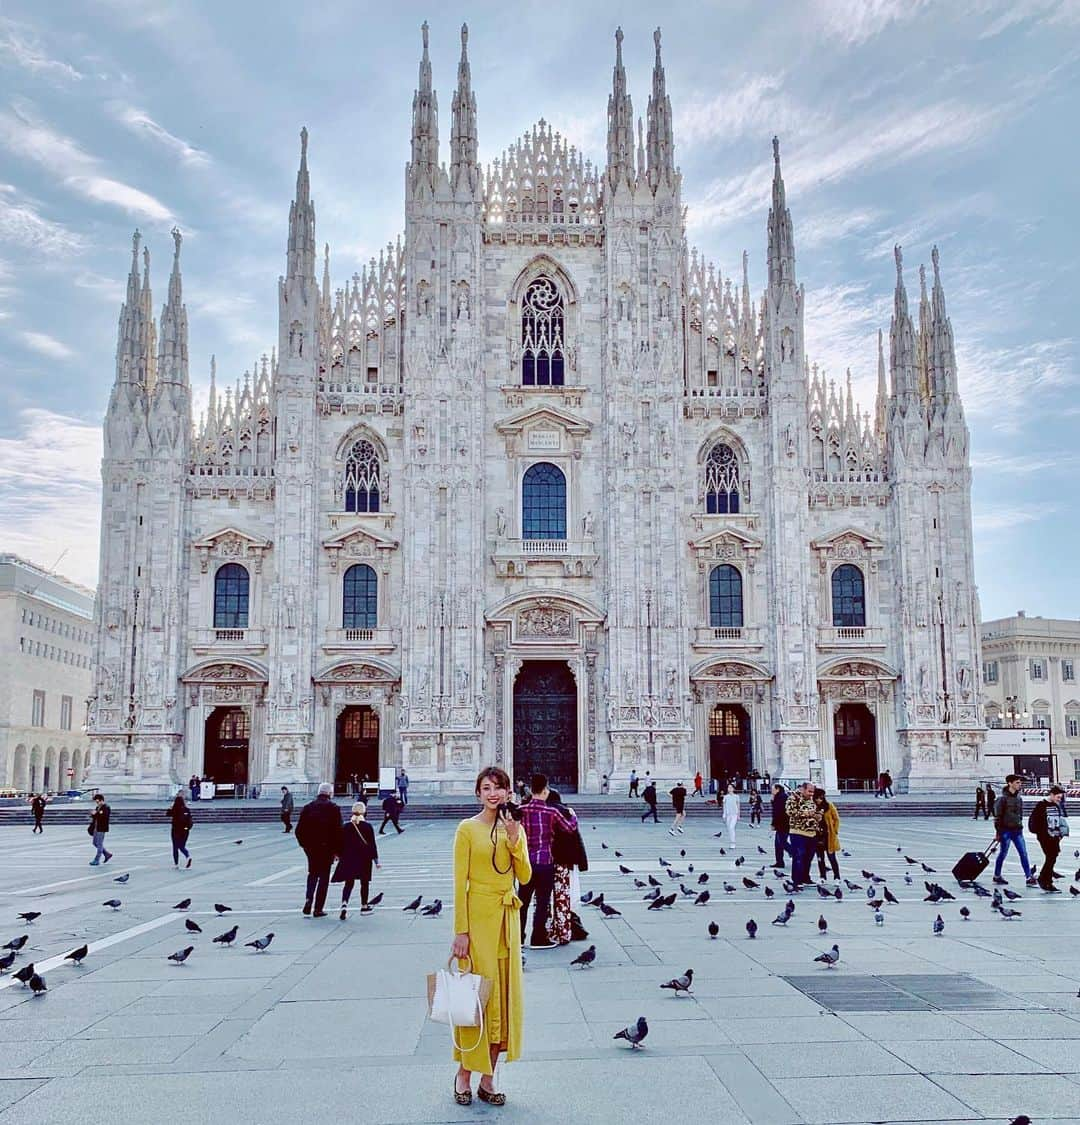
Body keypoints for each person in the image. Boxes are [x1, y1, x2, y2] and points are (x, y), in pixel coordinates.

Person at [451, 766, 530, 1106]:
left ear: (509, 793)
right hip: (478, 922)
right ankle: (464, 1074)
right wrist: (461, 931)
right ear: (478, 793)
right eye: (487, 788)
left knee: (504, 1001)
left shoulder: (514, 828)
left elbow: (524, 876)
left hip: (507, 922)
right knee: (476, 1000)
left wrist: (514, 840)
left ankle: (488, 1078)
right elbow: (459, 883)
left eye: (499, 787)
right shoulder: (466, 829)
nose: (493, 793)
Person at [518, 773, 577, 949]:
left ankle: (518, 937)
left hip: (525, 863)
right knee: (543, 902)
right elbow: (569, 828)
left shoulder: (522, 810)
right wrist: (573, 815)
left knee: (523, 901)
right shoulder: (552, 812)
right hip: (545, 862)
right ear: (545, 791)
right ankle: (538, 938)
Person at [295, 782, 343, 917]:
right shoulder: (334, 808)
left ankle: (308, 899)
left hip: (311, 848)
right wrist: (337, 851)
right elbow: (338, 832)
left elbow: (299, 830)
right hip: (327, 849)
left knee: (312, 874)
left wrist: (305, 846)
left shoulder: (308, 808)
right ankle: (318, 909)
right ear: (330, 794)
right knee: (323, 878)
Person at [546, 790, 586, 945]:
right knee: (562, 898)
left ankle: (547, 931)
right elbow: (575, 837)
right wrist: (580, 861)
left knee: (545, 899)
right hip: (563, 862)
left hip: (544, 861)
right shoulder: (566, 813)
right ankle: (564, 933)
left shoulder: (544, 813)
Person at [333, 801, 380, 918]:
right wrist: (376, 861)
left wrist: (337, 855)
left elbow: (339, 843)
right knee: (364, 883)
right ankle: (364, 905)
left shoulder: (346, 826)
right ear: (364, 812)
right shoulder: (368, 827)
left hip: (348, 858)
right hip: (364, 859)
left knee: (349, 883)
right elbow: (372, 845)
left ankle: (344, 903)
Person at [992, 774, 1037, 887]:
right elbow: (997, 817)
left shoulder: (1018, 798)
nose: (1019, 785)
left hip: (1017, 830)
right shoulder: (1002, 799)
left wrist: (1020, 824)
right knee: (1003, 853)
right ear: (1010, 783)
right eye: (1017, 782)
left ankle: (1028, 876)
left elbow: (1020, 814)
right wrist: (998, 832)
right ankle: (997, 875)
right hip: (1005, 830)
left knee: (1023, 853)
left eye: (1020, 783)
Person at [1028, 784, 1068, 892]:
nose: (1059, 800)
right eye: (1058, 797)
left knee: (1052, 857)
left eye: (1060, 798)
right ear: (1051, 795)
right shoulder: (1041, 805)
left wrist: (1059, 834)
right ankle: (1045, 880)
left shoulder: (1056, 806)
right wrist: (1043, 833)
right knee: (1051, 857)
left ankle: (1045, 879)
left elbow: (1058, 820)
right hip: (1045, 836)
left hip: (1054, 836)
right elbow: (1035, 822)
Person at [786, 781, 819, 887]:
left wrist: (817, 816)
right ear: (803, 789)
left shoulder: (811, 800)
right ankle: (797, 880)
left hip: (811, 832)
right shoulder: (793, 798)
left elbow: (815, 811)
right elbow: (790, 812)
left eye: (813, 792)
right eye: (809, 791)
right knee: (799, 856)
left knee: (808, 857)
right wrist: (806, 814)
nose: (811, 794)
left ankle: (805, 878)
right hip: (797, 832)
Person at [813, 788, 841, 881]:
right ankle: (822, 876)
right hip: (817, 836)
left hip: (828, 836)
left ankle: (837, 877)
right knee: (820, 858)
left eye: (821, 798)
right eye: (817, 798)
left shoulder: (829, 806)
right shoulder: (812, 807)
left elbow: (836, 818)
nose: (819, 800)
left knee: (832, 857)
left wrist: (835, 830)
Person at [167, 792, 193, 868]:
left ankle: (176, 864)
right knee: (181, 846)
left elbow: (167, 814)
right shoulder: (187, 809)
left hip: (176, 830)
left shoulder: (175, 809)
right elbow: (190, 820)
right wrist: (187, 828)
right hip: (185, 831)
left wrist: (170, 807)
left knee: (175, 847)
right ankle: (187, 856)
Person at [88, 793, 113, 865]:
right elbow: (96, 817)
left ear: (102, 800)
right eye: (96, 802)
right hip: (96, 827)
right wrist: (93, 814)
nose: (97, 803)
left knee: (99, 844)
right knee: (95, 843)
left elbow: (104, 817)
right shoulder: (98, 807)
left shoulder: (106, 807)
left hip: (101, 828)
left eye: (98, 801)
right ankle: (107, 854)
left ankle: (97, 859)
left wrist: (96, 814)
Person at [770, 783, 790, 869]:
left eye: (773, 789)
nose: (771, 791)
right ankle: (779, 862)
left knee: (782, 843)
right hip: (782, 824)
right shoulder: (781, 797)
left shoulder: (781, 797)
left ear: (777, 789)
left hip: (783, 824)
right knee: (778, 844)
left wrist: (773, 824)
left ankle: (795, 853)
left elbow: (777, 812)